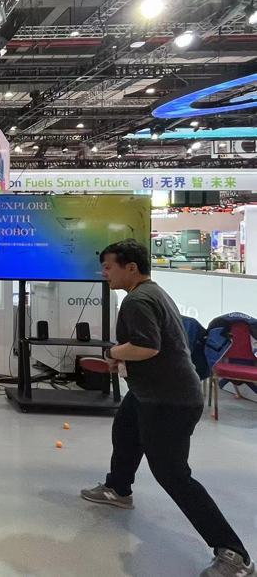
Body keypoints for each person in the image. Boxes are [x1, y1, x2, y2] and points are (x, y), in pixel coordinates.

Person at [80, 239, 253, 577]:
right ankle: (118, 488)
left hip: (169, 400)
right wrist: (124, 359)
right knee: (125, 430)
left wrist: (113, 353)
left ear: (131, 268)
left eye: (109, 267)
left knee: (172, 474)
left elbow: (147, 346)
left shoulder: (138, 300)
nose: (104, 273)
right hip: (150, 392)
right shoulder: (152, 292)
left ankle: (234, 554)